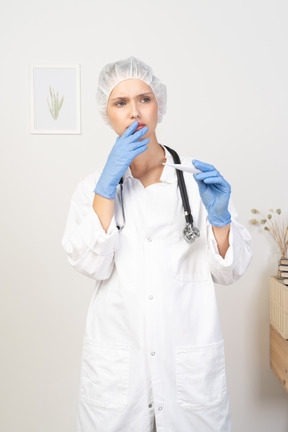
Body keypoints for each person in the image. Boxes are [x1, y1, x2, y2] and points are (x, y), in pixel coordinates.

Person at [62, 56, 252, 432]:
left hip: (188, 373)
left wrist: (220, 218)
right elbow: (90, 263)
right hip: (119, 377)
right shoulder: (91, 189)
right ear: (108, 115)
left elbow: (229, 271)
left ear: (158, 105)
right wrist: (106, 186)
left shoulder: (200, 185)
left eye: (144, 99)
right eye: (121, 103)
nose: (135, 112)